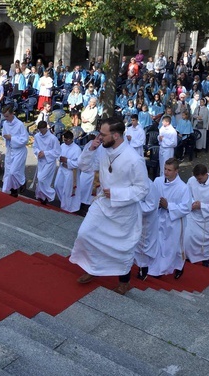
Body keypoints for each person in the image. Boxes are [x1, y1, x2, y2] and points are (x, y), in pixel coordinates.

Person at [71, 119, 150, 295]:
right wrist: (91, 149)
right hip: (103, 204)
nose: (100, 137)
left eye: (103, 134)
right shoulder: (103, 150)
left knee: (121, 247)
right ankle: (93, 268)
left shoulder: (134, 159)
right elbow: (84, 166)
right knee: (86, 234)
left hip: (124, 209)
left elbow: (143, 189)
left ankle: (124, 281)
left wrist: (116, 194)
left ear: (116, 135)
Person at [146, 158, 191, 279]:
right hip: (158, 216)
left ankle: (179, 266)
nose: (166, 172)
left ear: (176, 171)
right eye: (165, 169)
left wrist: (168, 206)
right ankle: (157, 269)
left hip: (174, 220)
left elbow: (186, 208)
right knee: (158, 242)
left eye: (169, 170)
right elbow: (151, 196)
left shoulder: (183, 188)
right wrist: (157, 203)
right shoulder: (158, 181)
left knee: (172, 246)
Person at [184, 164, 209, 267]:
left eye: (200, 178)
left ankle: (206, 259)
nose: (198, 181)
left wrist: (202, 206)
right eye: (196, 178)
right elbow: (187, 194)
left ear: (206, 175)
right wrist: (192, 203)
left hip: (207, 219)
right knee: (188, 236)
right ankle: (189, 256)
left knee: (206, 241)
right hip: (193, 215)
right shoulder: (192, 180)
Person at [1, 105, 29, 197]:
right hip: (10, 149)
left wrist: (12, 138)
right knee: (9, 172)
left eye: (7, 116)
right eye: (5, 116)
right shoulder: (5, 123)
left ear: (12, 114)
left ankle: (23, 181)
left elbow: (25, 140)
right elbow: (4, 134)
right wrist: (6, 137)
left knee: (14, 171)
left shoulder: (19, 124)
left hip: (19, 151)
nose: (6, 118)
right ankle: (13, 191)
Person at [33, 120, 60, 204]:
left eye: (42, 129)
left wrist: (45, 153)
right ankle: (43, 197)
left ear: (46, 128)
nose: (41, 132)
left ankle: (51, 193)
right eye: (39, 130)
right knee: (43, 180)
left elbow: (57, 152)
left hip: (49, 162)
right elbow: (35, 147)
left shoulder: (53, 138)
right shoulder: (37, 136)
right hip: (41, 161)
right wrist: (38, 152)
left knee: (41, 178)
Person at [55, 130, 82, 213]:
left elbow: (78, 163)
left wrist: (68, 161)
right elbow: (58, 154)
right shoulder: (62, 145)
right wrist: (60, 159)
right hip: (62, 169)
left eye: (67, 140)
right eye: (64, 139)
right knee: (57, 185)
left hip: (70, 172)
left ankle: (67, 207)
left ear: (71, 139)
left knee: (67, 190)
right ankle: (63, 201)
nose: (65, 141)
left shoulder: (76, 149)